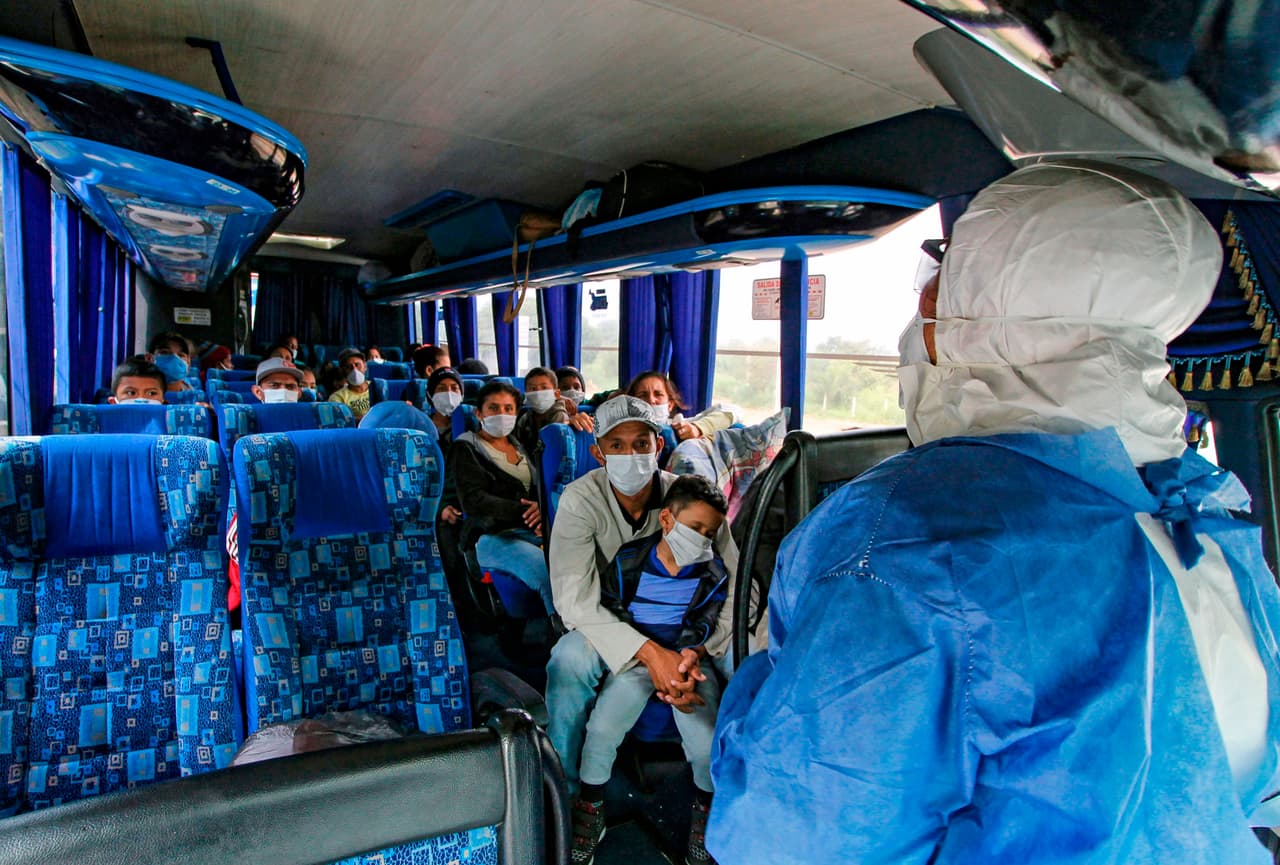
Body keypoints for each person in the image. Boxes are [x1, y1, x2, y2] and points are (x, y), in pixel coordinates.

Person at [708, 162, 1280, 864]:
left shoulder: (902, 537)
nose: (921, 314)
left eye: (942, 284)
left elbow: (785, 837)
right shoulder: (1209, 510)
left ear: (987, 315)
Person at [545, 396, 737, 798]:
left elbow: (735, 584)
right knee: (568, 659)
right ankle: (564, 783)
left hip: (686, 626)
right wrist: (653, 655)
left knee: (750, 647)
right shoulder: (581, 500)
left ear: (658, 447)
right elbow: (574, 601)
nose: (630, 454)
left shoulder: (688, 499)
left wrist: (693, 654)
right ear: (599, 453)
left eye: (641, 443)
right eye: (616, 445)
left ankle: (739, 781)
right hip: (607, 619)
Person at [573, 475, 731, 865]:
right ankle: (591, 805)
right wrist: (643, 653)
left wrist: (690, 655)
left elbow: (706, 621)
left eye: (709, 533)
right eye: (694, 528)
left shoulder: (712, 573)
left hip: (687, 661)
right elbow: (610, 609)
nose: (702, 539)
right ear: (666, 520)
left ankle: (705, 810)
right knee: (603, 726)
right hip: (637, 656)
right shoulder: (630, 561)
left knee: (705, 737)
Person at [448, 381, 550, 614]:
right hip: (490, 535)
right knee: (546, 572)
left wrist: (540, 509)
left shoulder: (520, 445)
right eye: (493, 408)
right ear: (478, 413)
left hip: (530, 531)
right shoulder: (465, 446)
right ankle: (562, 630)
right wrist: (528, 514)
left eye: (508, 409)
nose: (501, 415)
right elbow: (474, 501)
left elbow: (538, 489)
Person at [426, 367, 469, 613]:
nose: (449, 394)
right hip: (437, 505)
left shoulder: (471, 426)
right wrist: (440, 508)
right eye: (442, 389)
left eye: (455, 389)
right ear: (430, 395)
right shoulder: (419, 430)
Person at [627, 371, 733, 442]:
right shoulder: (620, 431)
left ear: (670, 405)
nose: (651, 400)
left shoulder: (681, 426)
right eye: (642, 395)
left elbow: (731, 410)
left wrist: (698, 428)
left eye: (658, 394)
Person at [512, 366, 570, 455]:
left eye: (544, 388)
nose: (538, 393)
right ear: (527, 395)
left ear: (557, 394)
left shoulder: (559, 416)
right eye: (533, 389)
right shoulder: (525, 418)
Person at [328, 348, 372, 420]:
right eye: (348, 367)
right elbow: (343, 421)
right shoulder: (337, 397)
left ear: (365, 366)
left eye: (357, 365)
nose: (354, 370)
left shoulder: (378, 387)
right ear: (343, 371)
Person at [555, 365, 597, 433]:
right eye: (565, 387)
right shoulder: (552, 411)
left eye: (576, 387)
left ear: (583, 390)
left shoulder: (589, 405)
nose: (572, 390)